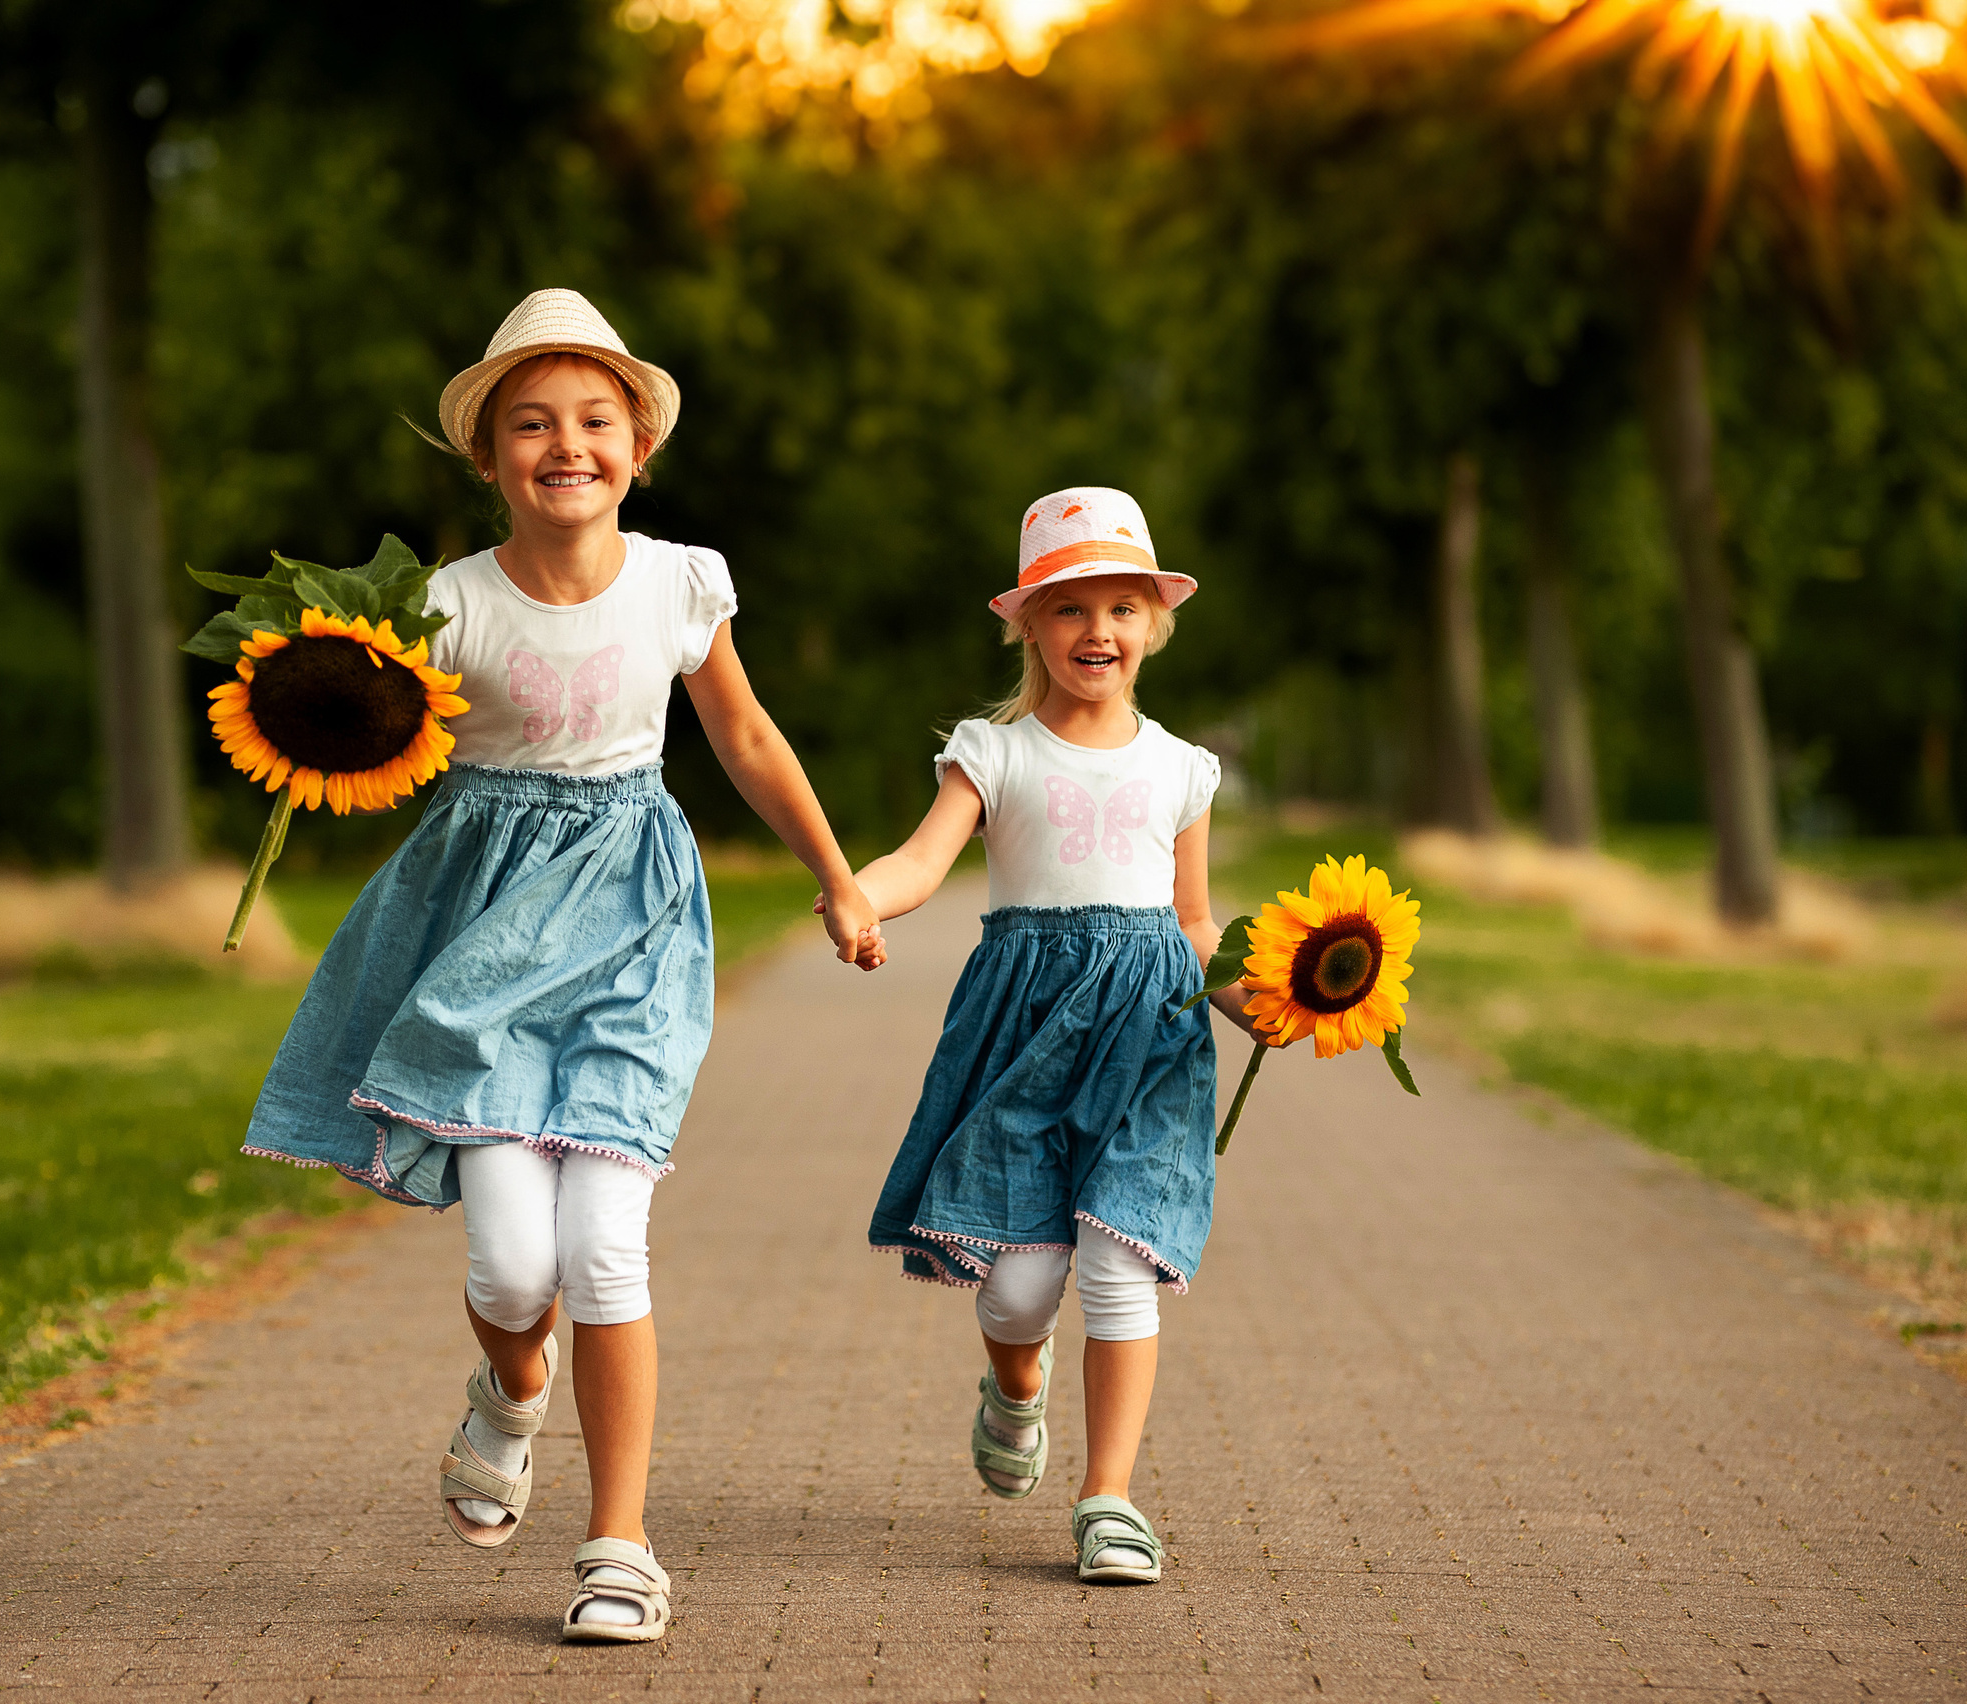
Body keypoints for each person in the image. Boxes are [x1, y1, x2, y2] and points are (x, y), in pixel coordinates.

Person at [239, 289, 882, 1643]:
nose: (565, 444)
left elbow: (749, 741)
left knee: (604, 1246)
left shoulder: (678, 583)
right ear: (488, 460)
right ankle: (508, 1389)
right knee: (513, 1271)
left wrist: (836, 878)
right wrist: (314, 714)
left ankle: (620, 1544)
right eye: (530, 423)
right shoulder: (445, 607)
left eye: (594, 419)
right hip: (481, 937)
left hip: (635, 925)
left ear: (637, 443)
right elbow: (351, 722)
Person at [846, 486, 1286, 1583]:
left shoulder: (1182, 768)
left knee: (1118, 1261)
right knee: (1019, 1292)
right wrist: (859, 895)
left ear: (1154, 624)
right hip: (1022, 1031)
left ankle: (1109, 1501)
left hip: (1148, 1039)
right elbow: (919, 860)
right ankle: (1015, 1381)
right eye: (1070, 609)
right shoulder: (993, 755)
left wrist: (1265, 1002)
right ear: (1029, 626)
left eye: (1122, 609)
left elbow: (1192, 923)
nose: (1098, 631)